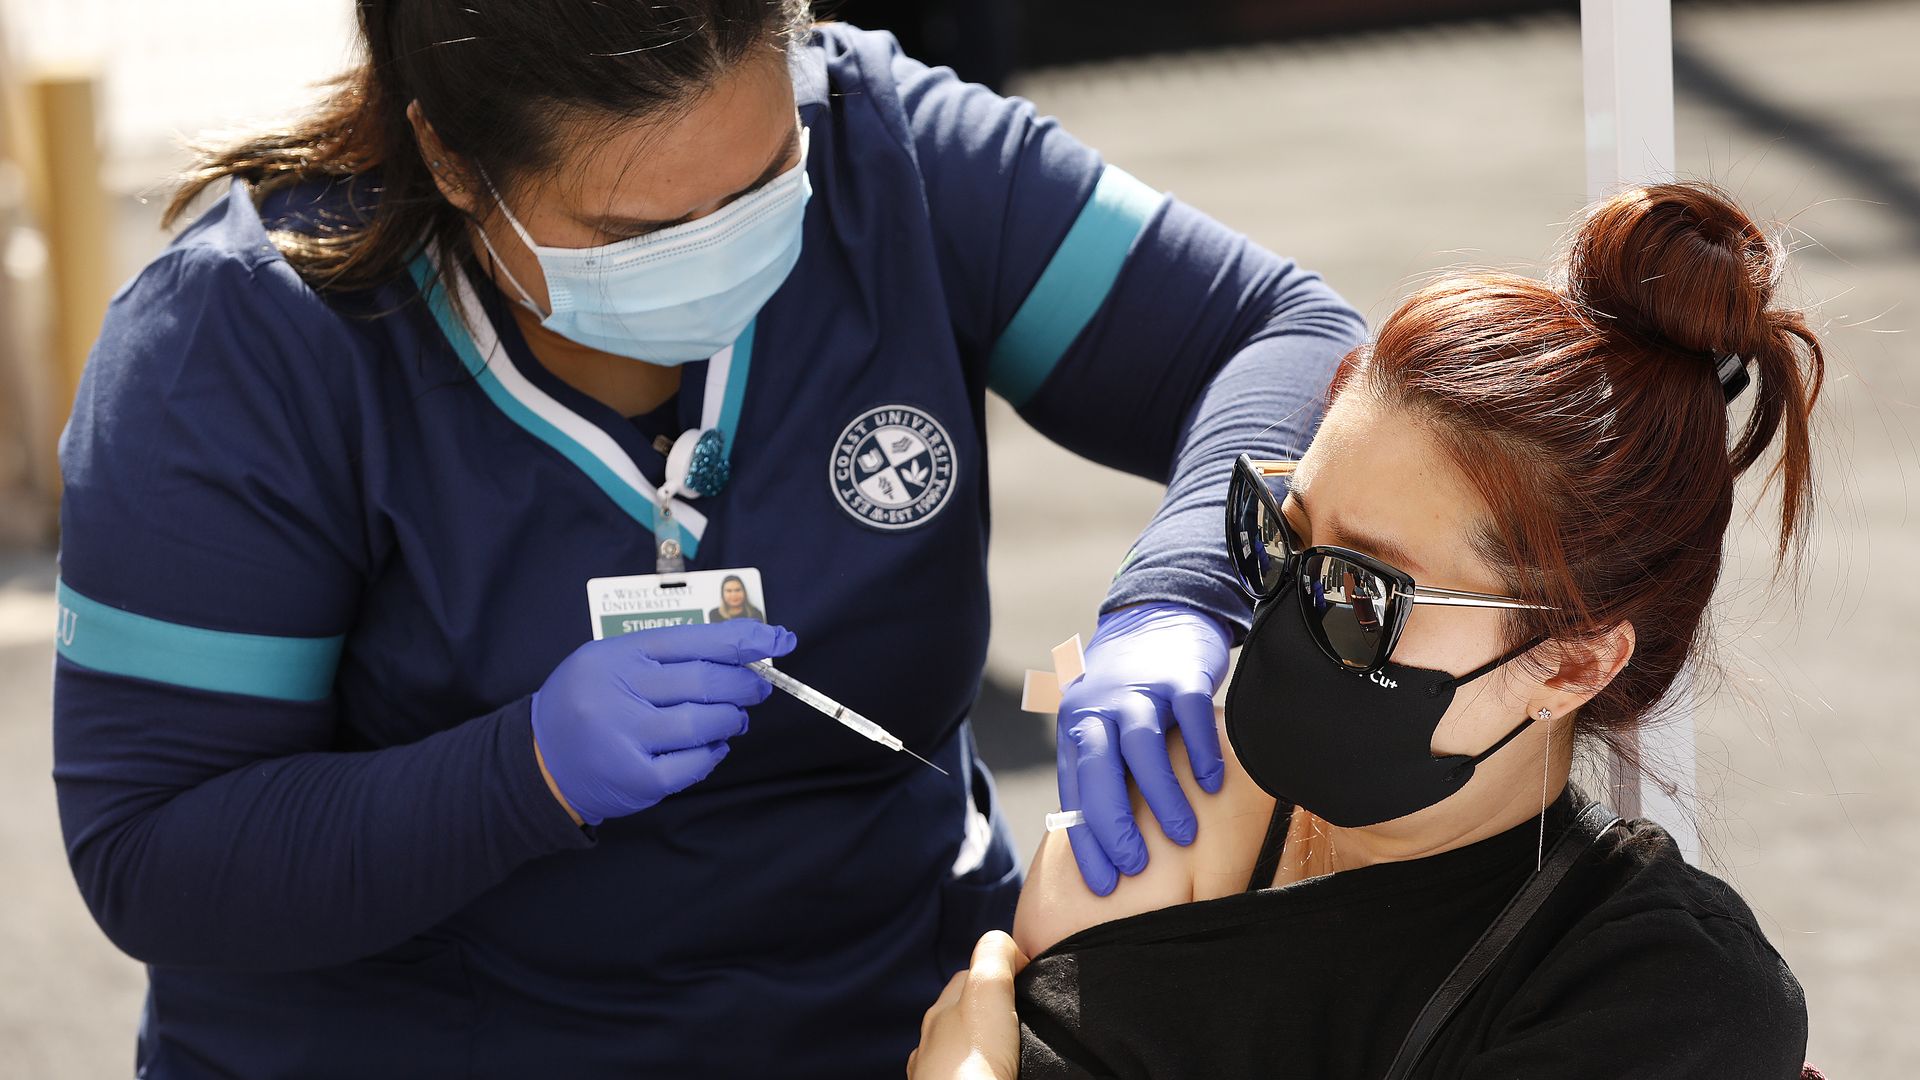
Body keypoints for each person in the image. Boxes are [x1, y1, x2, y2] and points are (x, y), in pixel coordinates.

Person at [50, 2, 1363, 1076]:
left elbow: (1294, 339)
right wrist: (522, 772)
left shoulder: (891, 157)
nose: (725, 255)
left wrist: (1186, 594)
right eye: (635, 235)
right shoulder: (242, 341)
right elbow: (153, 851)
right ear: (449, 160)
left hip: (892, 1024)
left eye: (765, 183)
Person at [909, 182, 1822, 1079]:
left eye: (1358, 590)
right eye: (1279, 537)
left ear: (1574, 662)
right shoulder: (1164, 800)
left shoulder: (1657, 992)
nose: (1282, 613)